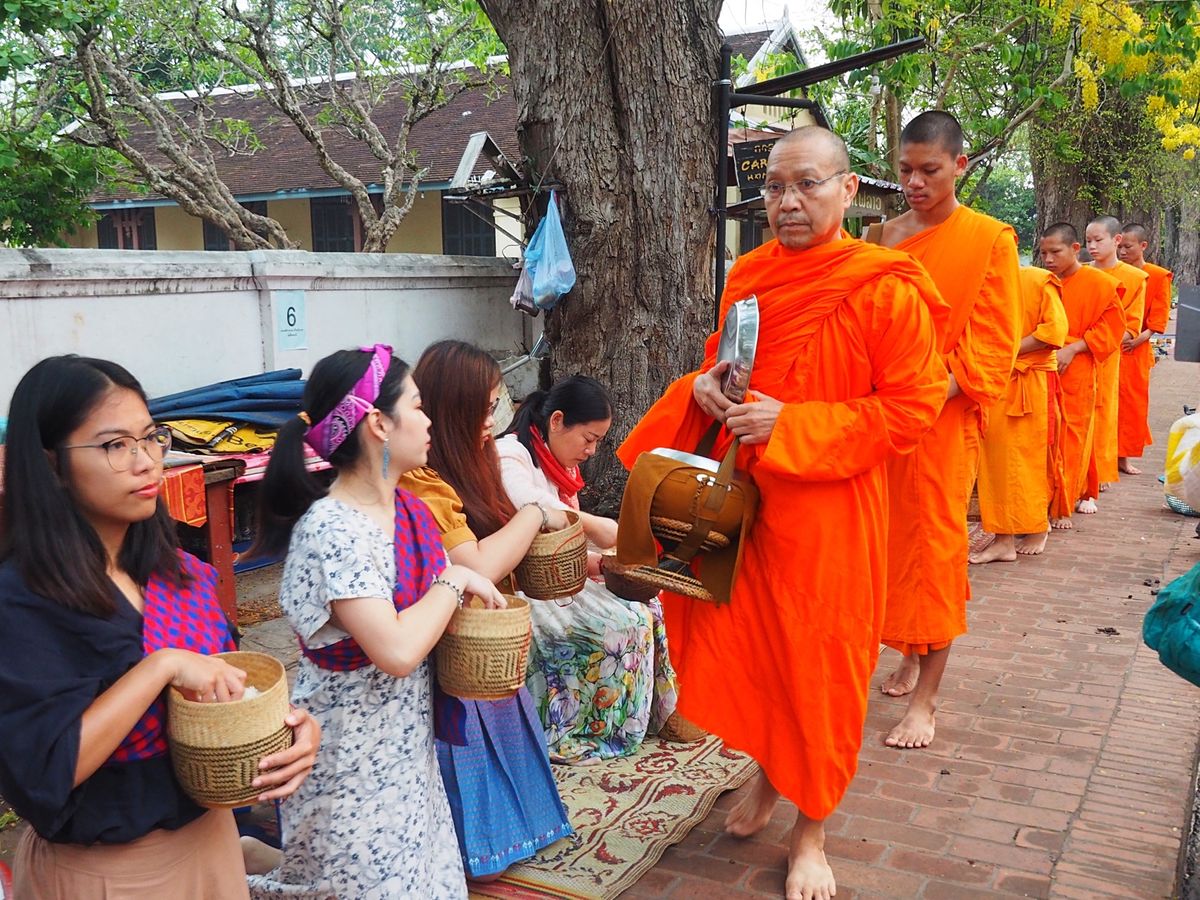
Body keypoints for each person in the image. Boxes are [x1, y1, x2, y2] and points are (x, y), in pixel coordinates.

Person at [618, 126, 947, 900]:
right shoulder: (750, 275)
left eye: (807, 184)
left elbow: (913, 409)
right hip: (750, 508)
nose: (787, 202)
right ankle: (768, 776)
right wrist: (701, 389)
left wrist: (792, 424)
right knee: (761, 658)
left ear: (849, 189)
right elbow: (724, 364)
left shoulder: (883, 287)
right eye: (773, 187)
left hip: (831, 513)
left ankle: (812, 831)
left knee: (822, 668)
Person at [0, 355, 319, 899]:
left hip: (213, 848)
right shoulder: (24, 600)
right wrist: (162, 666)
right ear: (52, 464)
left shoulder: (182, 574)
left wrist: (289, 732)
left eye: (151, 438)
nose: (146, 461)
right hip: (109, 875)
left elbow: (229, 690)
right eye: (114, 445)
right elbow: (46, 770)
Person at [247, 344, 506, 899]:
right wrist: (455, 580)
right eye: (417, 405)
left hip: (406, 747)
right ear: (379, 423)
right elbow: (395, 649)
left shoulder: (410, 511)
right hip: (347, 757)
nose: (430, 418)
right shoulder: (333, 529)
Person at [869, 111, 1022, 749]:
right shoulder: (880, 236)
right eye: (905, 170)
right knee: (882, 550)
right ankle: (904, 652)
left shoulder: (989, 239)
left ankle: (927, 700)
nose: (914, 183)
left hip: (938, 424)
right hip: (876, 426)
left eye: (929, 171)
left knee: (932, 554)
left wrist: (921, 394)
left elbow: (991, 350)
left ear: (960, 166)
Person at [398, 340, 573, 879]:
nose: (493, 418)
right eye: (486, 405)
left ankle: (508, 837)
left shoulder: (475, 461)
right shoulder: (420, 481)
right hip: (445, 645)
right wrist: (536, 513)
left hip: (479, 638)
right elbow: (477, 562)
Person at [495, 375, 693, 763]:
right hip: (520, 586)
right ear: (556, 421)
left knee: (647, 605)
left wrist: (599, 562)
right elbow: (528, 505)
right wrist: (594, 526)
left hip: (555, 576)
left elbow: (559, 545)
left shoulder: (558, 466)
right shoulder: (509, 455)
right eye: (588, 438)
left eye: (598, 441)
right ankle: (581, 725)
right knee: (618, 627)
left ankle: (652, 713)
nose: (591, 450)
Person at [970, 267, 1069, 562]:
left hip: (1030, 382)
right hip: (995, 379)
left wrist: (1005, 352)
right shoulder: (979, 281)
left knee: (1029, 457)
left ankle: (1037, 527)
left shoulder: (1037, 281)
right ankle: (1004, 538)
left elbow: (1053, 333)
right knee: (998, 461)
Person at [1038, 224, 1125, 530]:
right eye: (1043, 253)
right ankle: (1046, 497)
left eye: (1055, 252)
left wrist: (1074, 348)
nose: (1048, 259)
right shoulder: (1042, 281)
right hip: (1041, 365)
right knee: (1045, 433)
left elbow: (1112, 328)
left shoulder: (1098, 283)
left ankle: (1065, 498)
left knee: (1073, 434)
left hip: (1076, 366)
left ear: (1076, 249)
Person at [1083, 215, 1146, 500]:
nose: (1093, 247)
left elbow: (1131, 326)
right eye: (1088, 241)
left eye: (1099, 240)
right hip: (1074, 354)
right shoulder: (1080, 273)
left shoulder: (1134, 279)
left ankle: (1098, 469)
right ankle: (1076, 469)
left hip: (1106, 355)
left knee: (1103, 410)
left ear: (1116, 240)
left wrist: (1097, 343)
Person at [1117, 223, 1174, 473]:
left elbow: (1158, 319)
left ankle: (1124, 457)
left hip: (1135, 350)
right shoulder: (1112, 273)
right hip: (1110, 347)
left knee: (1131, 404)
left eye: (1127, 247)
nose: (1122, 252)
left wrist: (1138, 339)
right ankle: (1105, 458)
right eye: (1119, 247)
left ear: (1143, 246)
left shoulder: (1158, 276)